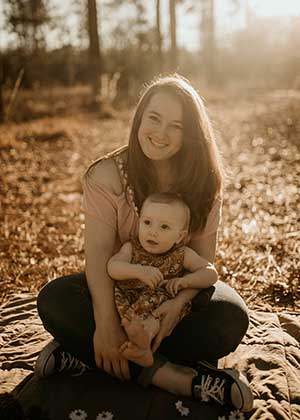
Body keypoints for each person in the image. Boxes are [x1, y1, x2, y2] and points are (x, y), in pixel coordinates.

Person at [35, 74, 253, 412]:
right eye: (153, 118)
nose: (160, 134)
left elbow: (205, 261)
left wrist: (174, 309)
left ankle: (81, 352)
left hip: (172, 296)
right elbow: (97, 259)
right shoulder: (106, 176)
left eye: (176, 126)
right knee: (54, 299)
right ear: (139, 118)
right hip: (120, 291)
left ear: (191, 134)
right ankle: (171, 375)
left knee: (230, 317)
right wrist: (106, 326)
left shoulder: (204, 182)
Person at [108, 192, 218, 368]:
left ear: (180, 236)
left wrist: (186, 281)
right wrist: (137, 271)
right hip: (127, 305)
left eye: (164, 227)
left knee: (155, 319)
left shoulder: (182, 254)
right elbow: (113, 267)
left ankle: (143, 345)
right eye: (147, 222)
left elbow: (211, 274)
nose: (153, 231)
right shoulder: (131, 248)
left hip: (160, 308)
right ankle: (134, 343)